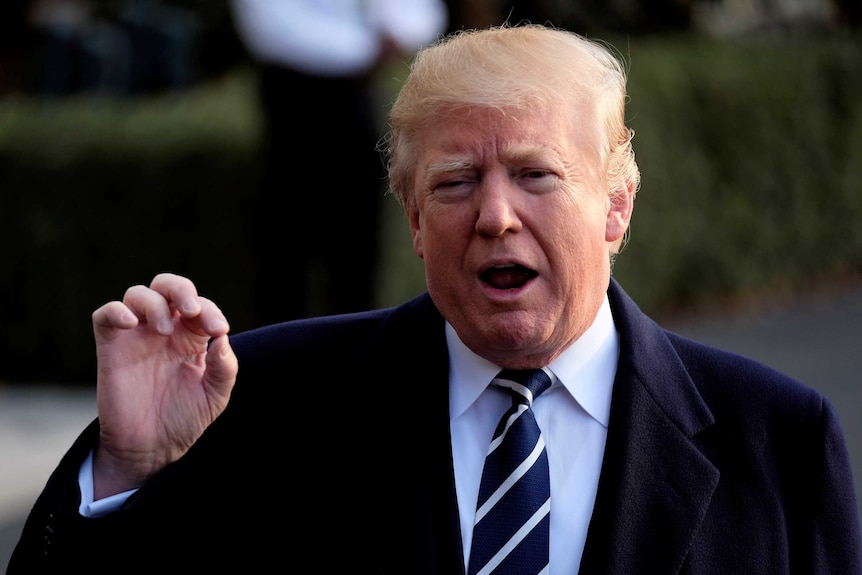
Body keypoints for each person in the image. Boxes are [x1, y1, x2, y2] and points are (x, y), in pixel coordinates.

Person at [8, 23, 861, 574]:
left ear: (616, 204)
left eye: (535, 174)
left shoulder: (779, 441)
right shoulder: (263, 402)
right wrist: (127, 471)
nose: (494, 216)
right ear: (414, 219)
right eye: (455, 182)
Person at [230, 0, 448, 323]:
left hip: (357, 98)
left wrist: (394, 32)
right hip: (294, 100)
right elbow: (270, 29)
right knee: (286, 246)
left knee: (358, 244)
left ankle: (356, 356)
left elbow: (422, 15)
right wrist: (366, 47)